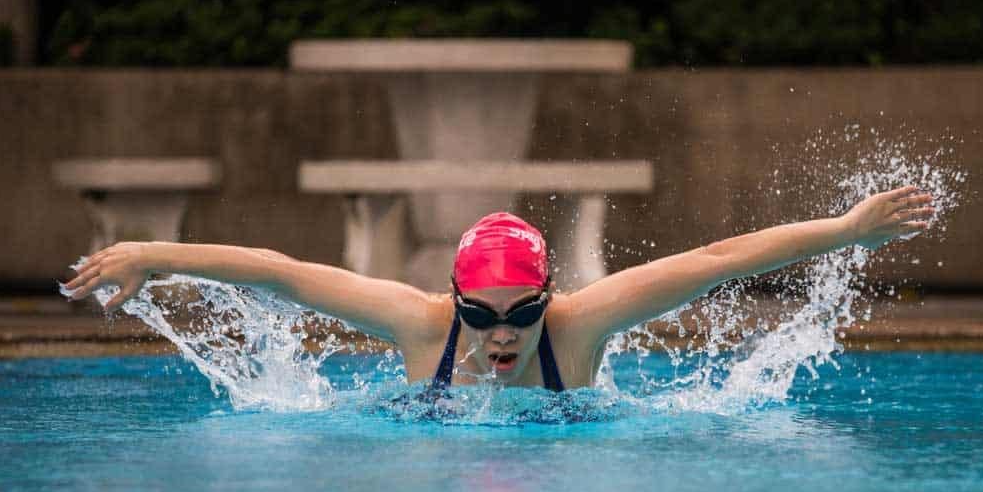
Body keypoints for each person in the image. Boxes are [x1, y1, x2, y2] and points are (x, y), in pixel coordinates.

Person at [64, 186, 934, 391]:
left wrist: (846, 231)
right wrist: (151, 253)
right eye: (480, 315)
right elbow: (282, 271)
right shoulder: (420, 326)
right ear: (454, 302)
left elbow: (718, 258)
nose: (503, 333)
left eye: (524, 312)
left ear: (552, 296)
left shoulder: (580, 325)